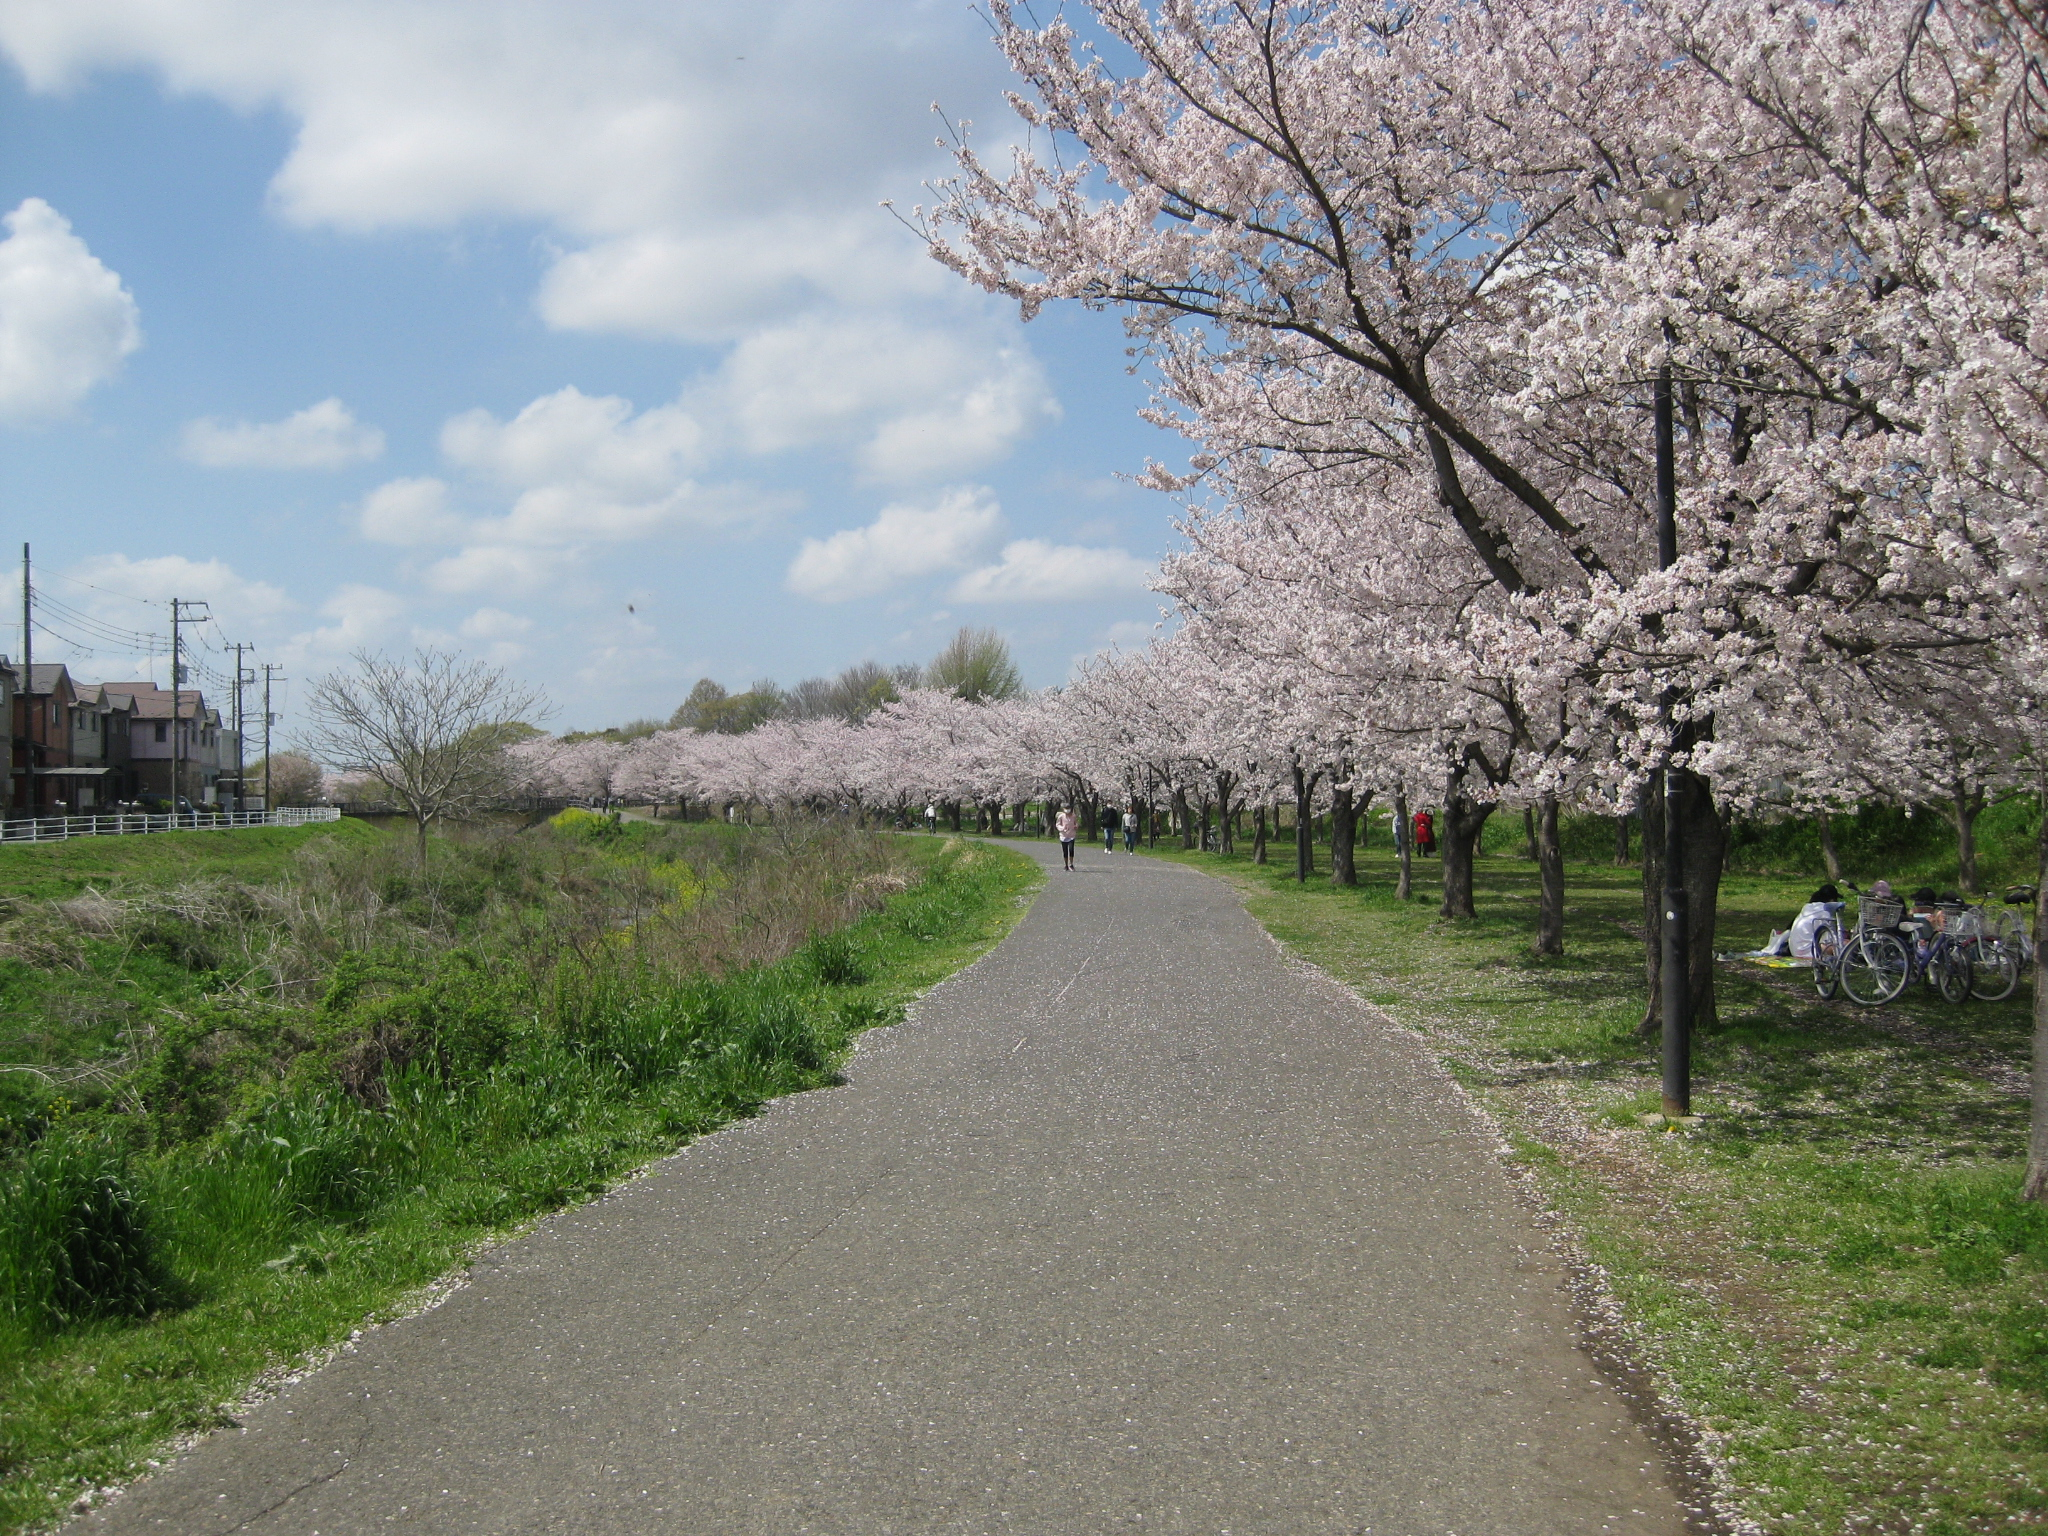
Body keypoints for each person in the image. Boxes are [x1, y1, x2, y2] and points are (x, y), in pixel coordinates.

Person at [1055, 805, 1078, 871]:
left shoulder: (1073, 816)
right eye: (1066, 809)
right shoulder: (1061, 816)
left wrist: (1076, 826)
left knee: (1071, 850)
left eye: (1068, 808)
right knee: (1065, 851)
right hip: (1063, 836)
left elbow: (1076, 823)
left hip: (1071, 836)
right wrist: (1062, 828)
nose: (1067, 810)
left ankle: (1071, 864)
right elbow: (1058, 824)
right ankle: (1066, 865)